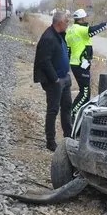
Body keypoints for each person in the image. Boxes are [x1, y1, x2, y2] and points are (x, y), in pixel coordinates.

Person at [33, 11, 72, 151]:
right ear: (59, 23)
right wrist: (55, 79)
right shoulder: (48, 37)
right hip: (55, 82)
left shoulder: (59, 35)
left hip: (65, 79)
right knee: (53, 110)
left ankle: (69, 137)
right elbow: (44, 61)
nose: (68, 24)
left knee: (67, 108)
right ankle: (50, 142)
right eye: (66, 21)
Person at [65, 9, 107, 121]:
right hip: (81, 65)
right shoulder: (81, 29)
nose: (86, 19)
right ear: (81, 19)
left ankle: (75, 115)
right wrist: (106, 24)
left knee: (84, 92)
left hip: (76, 64)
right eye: (85, 18)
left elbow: (69, 49)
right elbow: (92, 31)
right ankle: (72, 115)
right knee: (85, 94)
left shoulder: (71, 30)